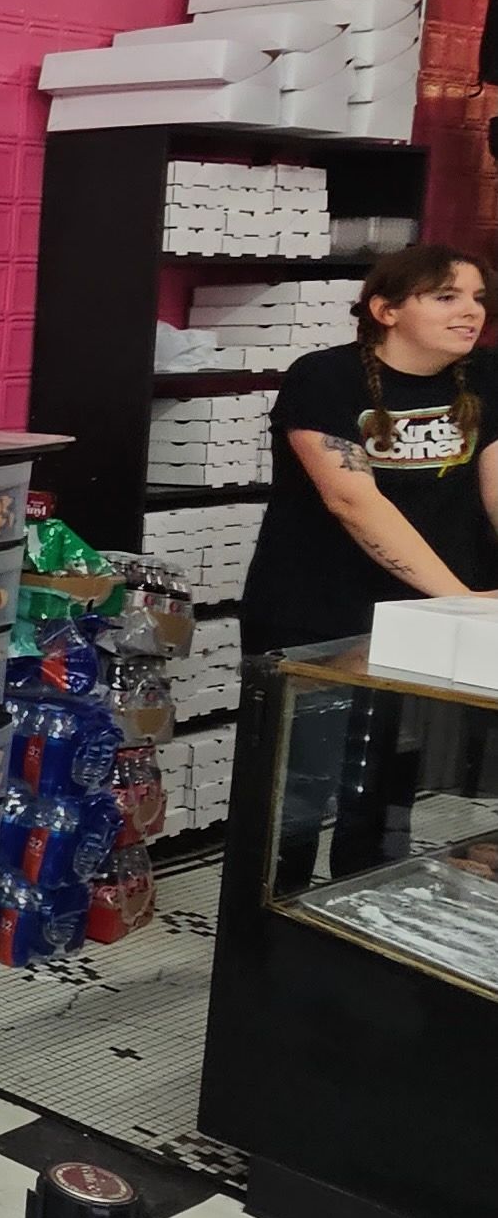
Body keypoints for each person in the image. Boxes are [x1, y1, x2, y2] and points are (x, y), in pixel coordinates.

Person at [239, 244, 496, 879]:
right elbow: (353, 501)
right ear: (386, 310)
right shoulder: (324, 377)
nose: (471, 312)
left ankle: (366, 907)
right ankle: (272, 921)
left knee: (386, 788)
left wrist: (458, 606)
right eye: (446, 297)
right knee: (295, 789)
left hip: (428, 616)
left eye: (477, 298)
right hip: (318, 612)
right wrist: (458, 599)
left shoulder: (486, 377)